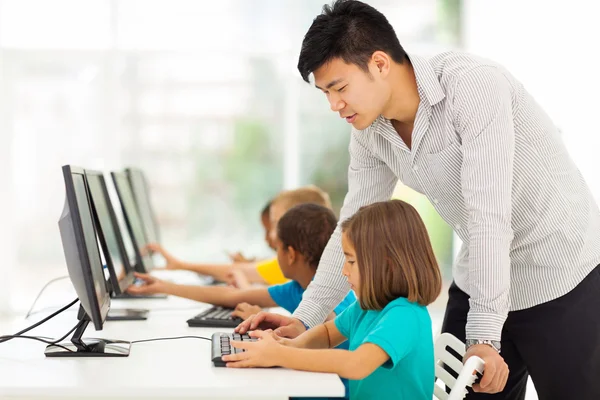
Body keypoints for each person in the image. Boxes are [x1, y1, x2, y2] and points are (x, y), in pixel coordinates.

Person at [236, 1, 600, 398]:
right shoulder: (369, 131)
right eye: (326, 93)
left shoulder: (474, 86)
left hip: (561, 273)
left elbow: (488, 217)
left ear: (379, 64)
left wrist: (484, 336)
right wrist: (304, 320)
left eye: (339, 88)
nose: (334, 105)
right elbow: (351, 225)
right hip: (482, 272)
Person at [225, 200, 441, 400]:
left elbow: (356, 364)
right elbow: (327, 333)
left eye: (352, 261)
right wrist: (289, 344)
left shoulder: (404, 316)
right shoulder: (368, 307)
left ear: (387, 264)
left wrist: (281, 354)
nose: (344, 271)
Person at [128, 203, 356, 321]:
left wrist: (268, 323)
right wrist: (164, 286)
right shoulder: (298, 288)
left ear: (291, 254)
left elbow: (328, 325)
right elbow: (231, 297)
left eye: (276, 247)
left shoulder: (329, 294)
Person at [146, 186, 332, 288]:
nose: (272, 235)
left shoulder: (301, 270)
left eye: (275, 223)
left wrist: (181, 266)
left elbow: (240, 273)